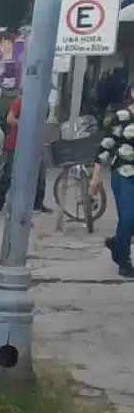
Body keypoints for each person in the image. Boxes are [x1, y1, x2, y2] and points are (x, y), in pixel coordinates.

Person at [92, 92, 134, 277]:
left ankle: (117, 243)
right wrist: (96, 177)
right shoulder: (122, 117)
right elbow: (105, 147)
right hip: (124, 173)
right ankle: (124, 260)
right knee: (128, 217)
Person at [0, 92, 49, 213]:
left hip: (34, 145)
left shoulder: (43, 104)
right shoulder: (22, 101)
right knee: (8, 176)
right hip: (16, 144)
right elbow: (10, 119)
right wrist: (24, 125)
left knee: (40, 176)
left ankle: (37, 205)